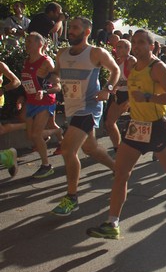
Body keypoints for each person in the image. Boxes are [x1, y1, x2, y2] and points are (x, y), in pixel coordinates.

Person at [86, 30, 166, 239]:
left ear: (152, 46)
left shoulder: (158, 67)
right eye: (134, 42)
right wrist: (126, 102)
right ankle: (112, 223)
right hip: (136, 127)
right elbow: (133, 93)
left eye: (142, 42)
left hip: (157, 127)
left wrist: (148, 97)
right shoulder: (134, 67)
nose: (136, 46)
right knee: (121, 173)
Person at [50, 16, 120, 216]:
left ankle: (72, 198)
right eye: (70, 27)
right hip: (72, 108)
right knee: (90, 148)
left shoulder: (96, 53)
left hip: (89, 107)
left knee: (67, 149)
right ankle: (117, 168)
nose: (70, 31)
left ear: (86, 32)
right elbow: (56, 73)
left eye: (75, 28)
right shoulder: (62, 53)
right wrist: (53, 81)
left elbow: (115, 70)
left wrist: (108, 89)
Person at [22, 32, 64, 178]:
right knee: (30, 135)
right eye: (26, 41)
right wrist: (22, 97)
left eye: (30, 42)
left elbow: (58, 86)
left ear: (40, 44)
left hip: (45, 102)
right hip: (31, 101)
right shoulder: (27, 61)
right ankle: (58, 133)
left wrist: (44, 91)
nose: (27, 44)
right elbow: (27, 82)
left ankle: (46, 166)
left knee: (36, 134)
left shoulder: (46, 62)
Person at [104, 39, 136, 151]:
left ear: (128, 49)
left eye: (120, 47)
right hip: (118, 94)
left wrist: (119, 83)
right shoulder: (116, 62)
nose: (117, 49)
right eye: (117, 47)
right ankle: (117, 147)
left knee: (139, 122)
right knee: (109, 123)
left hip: (130, 94)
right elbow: (112, 81)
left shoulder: (131, 61)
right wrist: (108, 88)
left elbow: (136, 81)